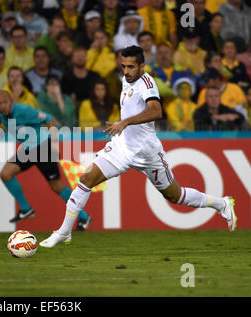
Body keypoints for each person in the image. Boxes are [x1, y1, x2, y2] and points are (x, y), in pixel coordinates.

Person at [39, 46, 237, 248]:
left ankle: (222, 204)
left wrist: (126, 122)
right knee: (86, 178)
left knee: (175, 195)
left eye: (131, 67)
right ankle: (64, 232)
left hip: (147, 152)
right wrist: (125, 125)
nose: (126, 71)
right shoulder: (127, 78)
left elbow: (155, 111)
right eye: (123, 66)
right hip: (123, 147)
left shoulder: (147, 83)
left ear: (142, 66)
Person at [0, 90, 92, 230]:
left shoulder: (24, 110)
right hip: (27, 149)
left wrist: (55, 144)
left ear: (11, 102)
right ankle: (25, 208)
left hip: (43, 146)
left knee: (56, 186)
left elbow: (49, 119)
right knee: (5, 174)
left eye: (5, 102)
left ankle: (84, 216)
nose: (2, 106)